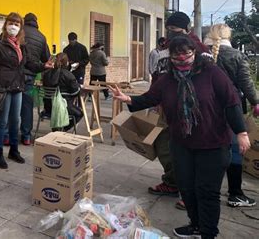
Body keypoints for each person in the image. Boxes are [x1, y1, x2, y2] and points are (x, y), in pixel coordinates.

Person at [110, 35, 250, 239]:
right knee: (187, 188)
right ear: (171, 56)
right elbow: (151, 98)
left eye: (186, 53)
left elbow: (231, 102)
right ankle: (195, 225)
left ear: (194, 52)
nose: (182, 58)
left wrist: (241, 132)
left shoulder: (211, 73)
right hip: (181, 143)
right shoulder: (167, 79)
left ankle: (208, 233)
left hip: (213, 143)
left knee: (207, 192)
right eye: (177, 54)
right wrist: (128, 99)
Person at [148, 12, 209, 210]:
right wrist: (153, 98)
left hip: (189, 109)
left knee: (188, 149)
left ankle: (190, 192)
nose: (171, 33)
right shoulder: (165, 47)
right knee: (164, 144)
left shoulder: (197, 48)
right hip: (166, 105)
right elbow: (158, 74)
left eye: (174, 29)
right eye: (169, 29)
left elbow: (209, 78)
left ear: (185, 29)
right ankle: (173, 182)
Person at [0, 13, 49, 169]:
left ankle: (14, 151)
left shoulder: (22, 45)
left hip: (18, 86)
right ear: (5, 24)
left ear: (20, 27)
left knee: (15, 120)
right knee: (2, 121)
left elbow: (29, 64)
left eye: (17, 24)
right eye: (11, 23)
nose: (13, 26)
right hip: (2, 87)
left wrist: (44, 66)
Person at [205, 23, 258, 208]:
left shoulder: (203, 56)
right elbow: (246, 84)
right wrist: (256, 102)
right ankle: (235, 193)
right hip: (231, 110)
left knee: (210, 149)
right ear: (229, 36)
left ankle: (203, 193)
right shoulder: (236, 56)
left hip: (207, 109)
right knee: (235, 150)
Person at [20, 13, 51, 145]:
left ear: (24, 21)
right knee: (27, 105)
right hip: (31, 75)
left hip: (15, 74)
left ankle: (7, 135)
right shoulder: (41, 37)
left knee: (11, 104)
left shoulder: (20, 32)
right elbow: (47, 58)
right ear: (36, 22)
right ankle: (26, 136)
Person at [42, 53, 82, 131]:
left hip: (48, 108)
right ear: (66, 63)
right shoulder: (68, 75)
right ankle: (63, 129)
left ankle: (57, 129)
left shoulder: (46, 74)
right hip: (63, 107)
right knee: (79, 114)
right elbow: (75, 92)